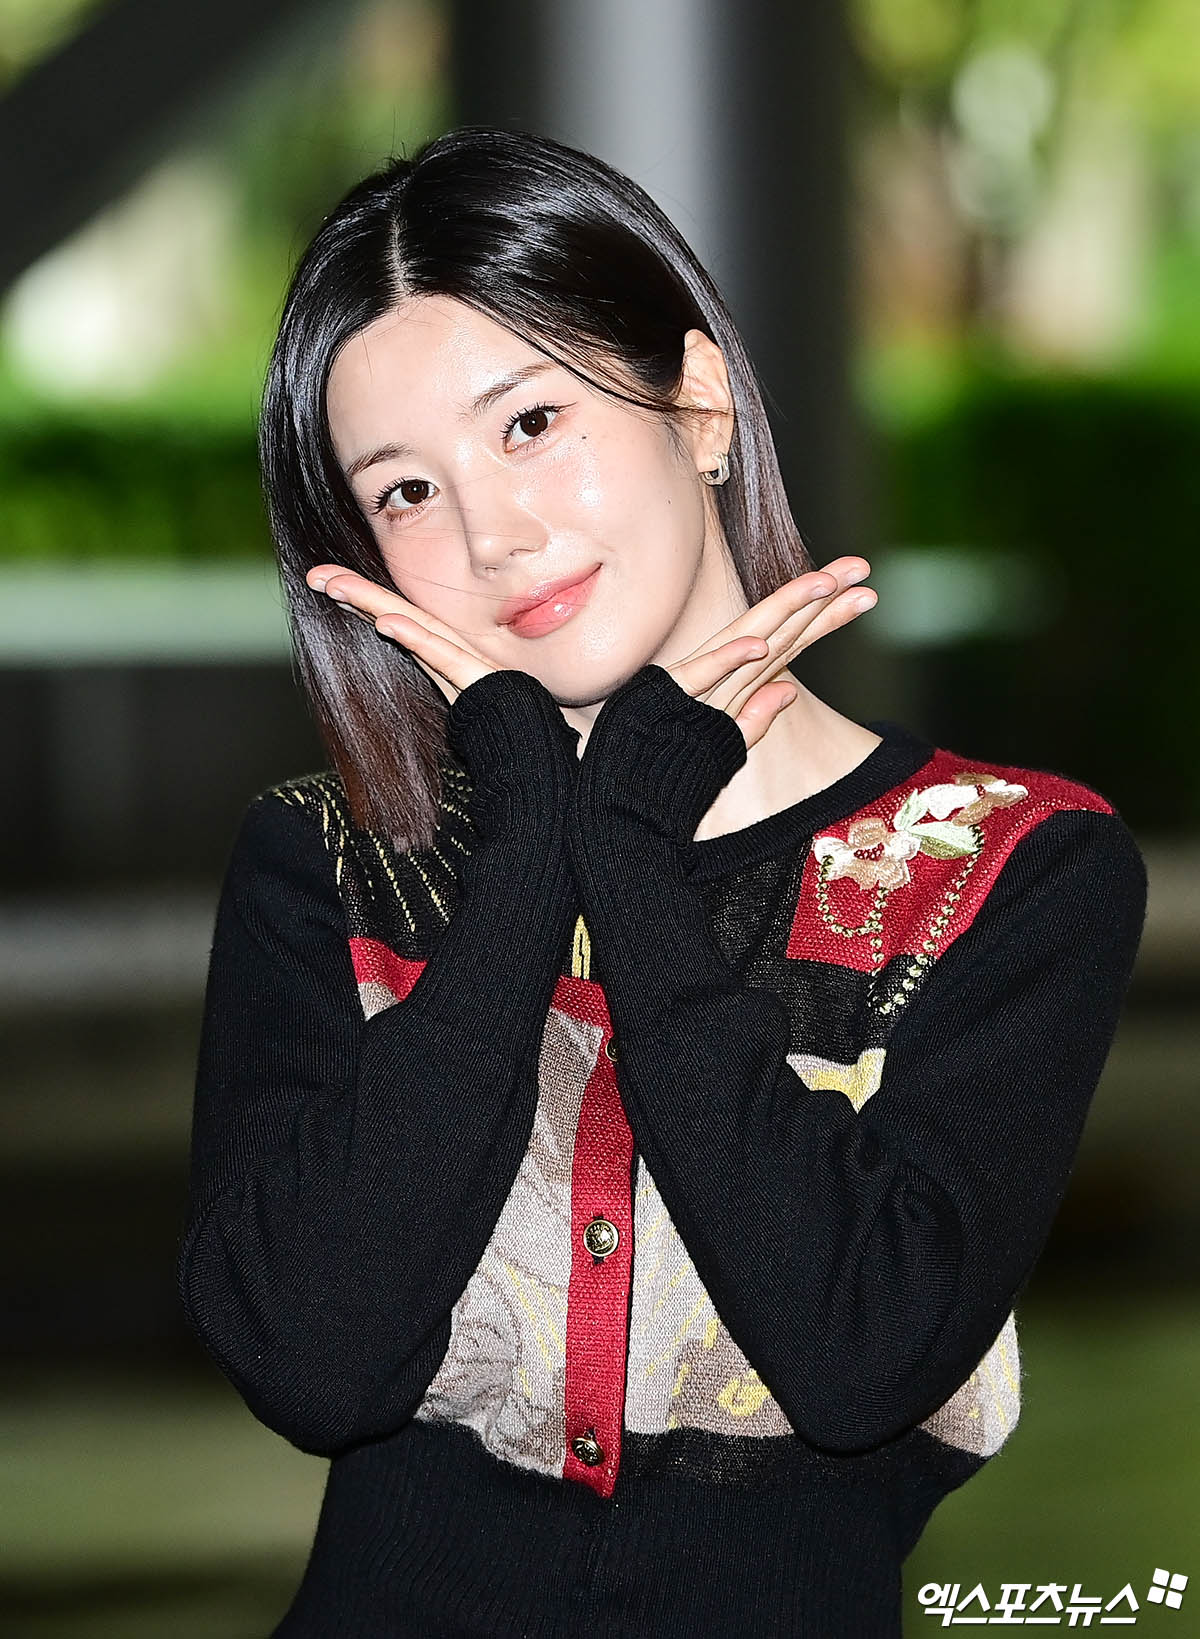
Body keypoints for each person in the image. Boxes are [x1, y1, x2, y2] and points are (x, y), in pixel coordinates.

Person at [176, 126, 1148, 1638]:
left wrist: (629, 842)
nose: (493, 533)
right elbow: (311, 1363)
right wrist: (528, 849)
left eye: (531, 422)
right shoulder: (326, 864)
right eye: (408, 491)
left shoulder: (1010, 865)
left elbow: (860, 1353)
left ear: (697, 403)